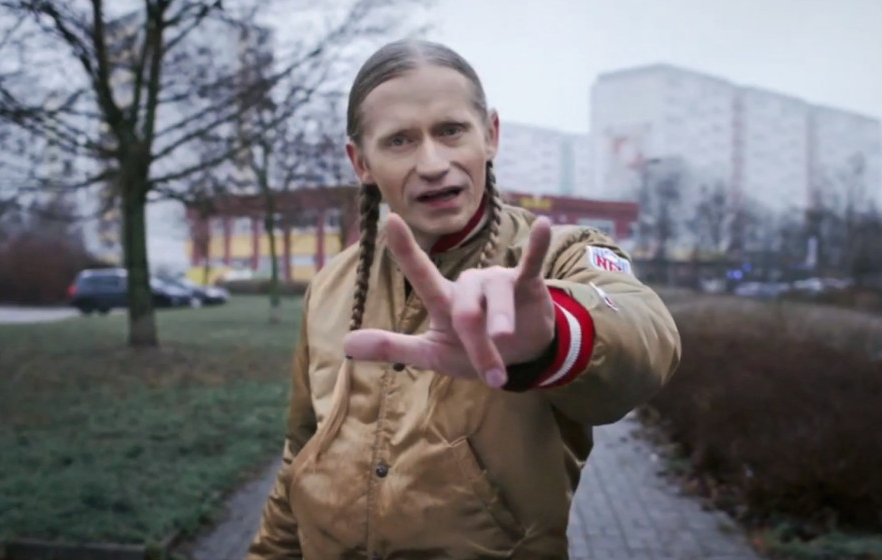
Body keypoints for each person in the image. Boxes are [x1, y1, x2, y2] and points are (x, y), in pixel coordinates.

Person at [247, 39, 681, 560]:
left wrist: (552, 337)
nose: (433, 163)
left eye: (451, 130)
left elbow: (645, 337)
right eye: (400, 140)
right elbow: (302, 451)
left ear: (490, 135)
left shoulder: (556, 256)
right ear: (361, 162)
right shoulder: (331, 283)